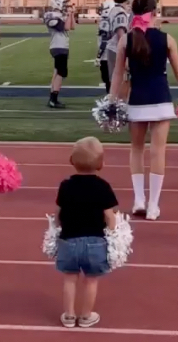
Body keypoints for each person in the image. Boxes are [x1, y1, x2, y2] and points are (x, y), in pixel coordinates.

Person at [110, 0, 178, 220]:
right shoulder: (167, 39)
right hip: (161, 100)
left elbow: (118, 73)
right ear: (155, 12)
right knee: (158, 152)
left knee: (136, 150)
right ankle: (153, 205)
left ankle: (139, 199)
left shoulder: (126, 40)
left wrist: (111, 99)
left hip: (137, 100)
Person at [54, 136, 117, 329]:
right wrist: (114, 234)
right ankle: (86, 315)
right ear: (101, 164)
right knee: (91, 281)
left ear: (72, 161)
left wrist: (57, 227)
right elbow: (110, 216)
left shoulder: (65, 186)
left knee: (70, 279)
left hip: (68, 240)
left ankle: (69, 315)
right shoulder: (103, 186)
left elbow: (59, 213)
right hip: (95, 241)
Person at [44, 0, 76, 109]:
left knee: (57, 71)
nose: (67, 5)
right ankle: (53, 99)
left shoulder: (60, 14)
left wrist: (71, 14)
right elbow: (65, 27)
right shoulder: (51, 15)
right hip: (58, 46)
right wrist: (67, 14)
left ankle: (52, 96)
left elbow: (72, 27)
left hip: (62, 46)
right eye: (65, 3)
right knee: (61, 72)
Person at [106, 0, 133, 80]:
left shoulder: (115, 10)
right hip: (116, 50)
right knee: (119, 81)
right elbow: (121, 35)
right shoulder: (120, 12)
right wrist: (126, 54)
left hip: (113, 49)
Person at [96, 0, 115, 93]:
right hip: (112, 53)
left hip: (106, 55)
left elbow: (104, 40)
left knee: (107, 80)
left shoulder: (105, 22)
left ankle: (111, 101)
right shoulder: (112, 20)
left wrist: (98, 56)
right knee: (111, 79)